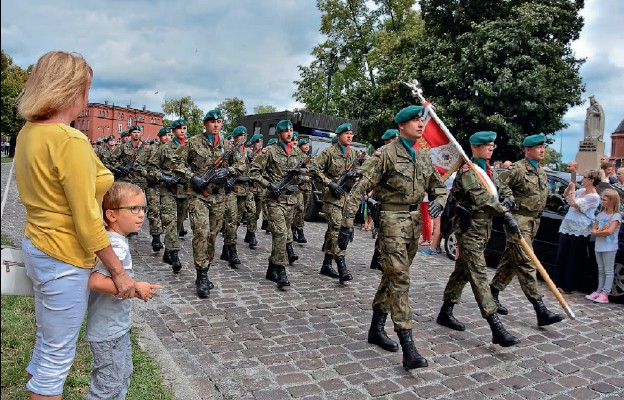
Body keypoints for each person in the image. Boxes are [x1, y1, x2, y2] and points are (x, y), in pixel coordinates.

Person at [14, 50, 137, 400]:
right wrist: (119, 273)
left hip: (38, 243)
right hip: (63, 254)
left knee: (47, 342)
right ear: (71, 90)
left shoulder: (28, 133)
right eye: (86, 89)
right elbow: (85, 221)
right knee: (56, 358)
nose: (86, 99)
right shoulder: (68, 140)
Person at [338, 105, 446, 369]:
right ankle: (408, 346)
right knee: (400, 279)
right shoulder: (385, 154)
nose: (420, 125)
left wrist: (439, 202)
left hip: (413, 225)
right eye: (414, 121)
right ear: (401, 126)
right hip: (390, 223)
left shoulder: (422, 155)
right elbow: (359, 188)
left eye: (422, 120)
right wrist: (345, 224)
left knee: (391, 278)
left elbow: (438, 187)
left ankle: (376, 329)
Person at [436, 131, 521, 348]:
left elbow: (503, 189)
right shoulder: (468, 171)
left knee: (462, 272)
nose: (491, 147)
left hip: (484, 229)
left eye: (492, 144)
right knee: (479, 276)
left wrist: (509, 199)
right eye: (486, 145)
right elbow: (484, 200)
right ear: (474, 147)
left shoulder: (488, 171)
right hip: (469, 230)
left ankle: (445, 312)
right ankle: (496, 328)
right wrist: (506, 213)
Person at [86, 182, 161, 399]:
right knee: (108, 387)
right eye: (133, 209)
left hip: (115, 328)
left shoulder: (114, 241)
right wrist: (136, 288)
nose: (141, 215)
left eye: (143, 209)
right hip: (108, 331)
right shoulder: (116, 246)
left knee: (120, 377)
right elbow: (96, 282)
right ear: (111, 214)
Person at [489, 134, 564, 327]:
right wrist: (506, 204)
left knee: (510, 262)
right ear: (527, 149)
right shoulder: (517, 169)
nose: (542, 150)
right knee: (527, 262)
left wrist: (556, 199)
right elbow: (497, 184)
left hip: (534, 222)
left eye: (543, 147)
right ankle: (541, 310)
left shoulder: (541, 171)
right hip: (518, 221)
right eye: (538, 147)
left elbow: (539, 194)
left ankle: (492, 293)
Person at [171, 109, 243, 298]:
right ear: (205, 124)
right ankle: (201, 274)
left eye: (219, 121)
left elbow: (242, 164)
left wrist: (229, 172)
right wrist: (192, 177)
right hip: (198, 196)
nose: (216, 125)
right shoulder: (194, 142)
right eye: (212, 122)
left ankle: (206, 268)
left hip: (219, 197)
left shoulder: (228, 145)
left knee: (212, 235)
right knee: (201, 233)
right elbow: (175, 161)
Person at [250, 119, 306, 288]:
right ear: (279, 133)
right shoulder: (269, 152)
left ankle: (271, 268)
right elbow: (254, 172)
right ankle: (281, 270)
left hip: (292, 201)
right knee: (281, 234)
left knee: (280, 236)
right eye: (285, 131)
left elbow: (310, 172)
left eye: (291, 130)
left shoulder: (298, 153)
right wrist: (269, 185)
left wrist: (303, 179)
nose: (289, 133)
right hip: (274, 200)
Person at [312, 122, 359, 283]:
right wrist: (329, 183)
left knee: (332, 231)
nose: (349, 136)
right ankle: (341, 265)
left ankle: (326, 264)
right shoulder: (328, 152)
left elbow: (361, 172)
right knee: (337, 230)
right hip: (332, 198)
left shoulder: (354, 154)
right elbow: (314, 168)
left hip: (346, 198)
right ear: (338, 136)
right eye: (346, 133)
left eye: (351, 133)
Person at [148, 119, 189, 273]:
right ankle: (174, 255)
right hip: (168, 191)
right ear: (173, 131)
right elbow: (152, 168)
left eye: (184, 128)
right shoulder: (164, 149)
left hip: (185, 191)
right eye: (179, 128)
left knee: (178, 223)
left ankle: (167, 251)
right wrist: (164, 177)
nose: (182, 131)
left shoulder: (192, 147)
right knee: (170, 222)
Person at [554, 169, 601, 293]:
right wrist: (570, 188)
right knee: (562, 254)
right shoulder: (581, 191)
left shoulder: (594, 197)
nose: (582, 180)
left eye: (585, 177)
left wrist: (573, 190)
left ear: (591, 181)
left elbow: (575, 204)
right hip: (568, 225)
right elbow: (566, 197)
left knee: (573, 257)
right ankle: (557, 282)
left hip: (580, 228)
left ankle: (568, 285)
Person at [136, 126, 171, 251]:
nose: (167, 138)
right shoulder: (151, 149)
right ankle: (156, 238)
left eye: (169, 135)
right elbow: (138, 165)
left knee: (167, 213)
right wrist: (148, 175)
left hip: (169, 186)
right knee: (154, 210)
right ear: (160, 137)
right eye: (165, 135)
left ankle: (170, 240)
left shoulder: (174, 149)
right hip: (154, 185)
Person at [220, 126, 249, 268]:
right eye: (241, 135)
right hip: (231, 189)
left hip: (244, 189)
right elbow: (223, 168)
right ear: (236, 137)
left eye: (245, 135)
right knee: (231, 218)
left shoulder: (248, 152)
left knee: (237, 220)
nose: (243, 137)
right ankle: (232, 250)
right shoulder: (231, 150)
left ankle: (226, 247)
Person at [586, 189, 621, 304]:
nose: (602, 202)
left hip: (609, 247)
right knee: (600, 269)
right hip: (599, 245)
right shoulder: (600, 214)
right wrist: (598, 232)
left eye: (604, 200)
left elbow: (610, 231)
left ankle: (606, 292)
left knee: (608, 270)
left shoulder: (616, 216)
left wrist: (597, 233)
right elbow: (593, 229)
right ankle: (599, 290)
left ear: (611, 201)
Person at [243, 133, 264, 248]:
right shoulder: (248, 155)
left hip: (260, 188)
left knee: (256, 213)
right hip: (249, 187)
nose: (259, 144)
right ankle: (252, 235)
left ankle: (248, 232)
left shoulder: (264, 156)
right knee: (251, 210)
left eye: (261, 142)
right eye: (257, 142)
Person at [292, 136, 312, 243]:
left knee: (303, 210)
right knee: (298, 209)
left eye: (307, 145)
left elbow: (312, 171)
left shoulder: (309, 157)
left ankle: (296, 228)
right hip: (299, 186)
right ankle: (297, 230)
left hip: (307, 187)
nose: (306, 146)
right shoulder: (298, 156)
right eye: (304, 145)